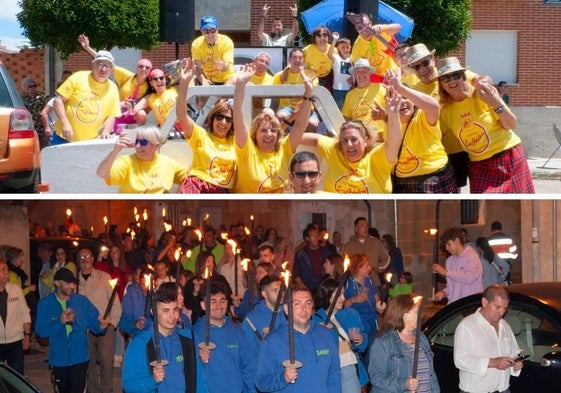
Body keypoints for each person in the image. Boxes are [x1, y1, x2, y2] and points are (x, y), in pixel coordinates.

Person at [437, 57, 535, 193]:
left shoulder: (482, 95)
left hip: (507, 156)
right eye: (446, 78)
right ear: (441, 84)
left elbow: (511, 124)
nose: (452, 80)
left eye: (456, 75)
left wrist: (495, 103)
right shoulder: (444, 111)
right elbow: (437, 136)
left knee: (519, 208)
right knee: (484, 210)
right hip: (478, 165)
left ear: (464, 77)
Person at [300, 85, 403, 193]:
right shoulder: (334, 150)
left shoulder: (378, 157)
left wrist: (393, 114)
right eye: (345, 140)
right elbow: (312, 139)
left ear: (366, 141)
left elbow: (394, 141)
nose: (349, 144)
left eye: (354, 139)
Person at [233, 64, 313, 193]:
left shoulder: (284, 150)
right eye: (263, 130)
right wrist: (240, 85)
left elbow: (300, 126)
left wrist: (308, 93)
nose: (269, 134)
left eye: (273, 130)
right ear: (255, 133)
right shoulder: (247, 150)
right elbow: (238, 121)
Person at [36, 268, 110, 393]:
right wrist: (60, 322)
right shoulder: (45, 304)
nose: (71, 286)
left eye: (73, 283)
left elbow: (95, 326)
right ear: (57, 283)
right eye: (67, 283)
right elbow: (41, 332)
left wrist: (102, 326)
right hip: (59, 361)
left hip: (80, 359)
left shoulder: (81, 301)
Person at [255, 284, 341, 392]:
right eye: (297, 304)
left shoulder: (325, 334)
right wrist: (283, 378)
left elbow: (334, 374)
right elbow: (261, 382)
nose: (304, 309)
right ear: (286, 309)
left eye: (308, 303)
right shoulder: (272, 341)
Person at [122, 285, 207, 393]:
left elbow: (198, 379)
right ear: (153, 312)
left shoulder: (187, 339)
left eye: (175, 310)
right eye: (166, 311)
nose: (172, 316)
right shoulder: (140, 343)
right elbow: (129, 385)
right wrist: (152, 380)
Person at [385, 67, 457, 193]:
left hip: (433, 178)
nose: (401, 102)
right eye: (396, 98)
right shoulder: (390, 124)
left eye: (405, 97)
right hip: (401, 183)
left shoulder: (422, 116)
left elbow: (434, 107)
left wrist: (400, 88)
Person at [176, 58, 237, 193]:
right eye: (219, 117)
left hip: (221, 191)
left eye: (228, 119)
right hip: (197, 185)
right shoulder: (201, 135)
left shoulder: (235, 141)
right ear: (212, 118)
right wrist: (184, 83)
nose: (223, 122)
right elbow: (181, 116)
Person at [454, 285, 524, 393]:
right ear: (485, 302)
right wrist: (493, 362)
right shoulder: (467, 325)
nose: (501, 312)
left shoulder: (504, 325)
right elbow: (460, 359)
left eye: (505, 308)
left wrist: (515, 363)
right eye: (498, 307)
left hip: (503, 390)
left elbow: (513, 352)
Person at [77, 34, 152, 130]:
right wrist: (87, 47)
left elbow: (165, 81)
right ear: (137, 68)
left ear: (150, 70)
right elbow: (107, 62)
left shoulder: (150, 84)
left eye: (147, 67)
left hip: (133, 114)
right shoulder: (127, 76)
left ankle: (140, 135)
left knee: (142, 114)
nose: (144, 69)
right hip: (117, 111)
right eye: (141, 66)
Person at [368, 293, 440, 392]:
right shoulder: (384, 343)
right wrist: (404, 384)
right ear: (404, 315)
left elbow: (431, 374)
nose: (421, 315)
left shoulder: (420, 337)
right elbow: (376, 377)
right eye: (416, 312)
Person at [76, 248, 122, 393]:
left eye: (87, 256)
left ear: (93, 259)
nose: (85, 259)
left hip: (104, 327)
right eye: (81, 257)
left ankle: (107, 389)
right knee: (88, 361)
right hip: (84, 329)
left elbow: (115, 304)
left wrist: (111, 322)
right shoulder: (74, 281)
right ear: (78, 260)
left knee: (106, 361)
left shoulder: (104, 277)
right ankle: (92, 389)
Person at [194, 279, 252, 393]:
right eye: (213, 301)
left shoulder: (237, 331)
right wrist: (198, 359)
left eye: (222, 300)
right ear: (203, 305)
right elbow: (188, 372)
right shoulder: (194, 333)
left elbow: (248, 367)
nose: (219, 306)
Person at [313, 278, 369, 392]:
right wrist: (321, 332)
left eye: (343, 294)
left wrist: (361, 340)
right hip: (327, 373)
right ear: (327, 296)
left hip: (349, 369)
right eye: (338, 295)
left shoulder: (350, 314)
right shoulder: (315, 320)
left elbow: (362, 345)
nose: (343, 298)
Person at [96, 125, 186, 193]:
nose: (138, 146)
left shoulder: (168, 163)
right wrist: (115, 151)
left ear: (156, 145)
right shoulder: (127, 161)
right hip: (131, 211)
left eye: (143, 142)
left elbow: (187, 178)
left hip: (159, 212)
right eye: (136, 141)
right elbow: (101, 174)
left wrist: (178, 197)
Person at [53, 51, 120, 141]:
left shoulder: (113, 88)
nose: (103, 69)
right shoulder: (78, 77)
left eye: (107, 66)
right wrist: (65, 123)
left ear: (112, 69)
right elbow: (58, 101)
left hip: (91, 141)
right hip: (64, 137)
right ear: (93, 65)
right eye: (100, 64)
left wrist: (106, 131)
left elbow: (112, 115)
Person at [343, 254, 386, 357]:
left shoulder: (369, 280)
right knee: (362, 351)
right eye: (366, 266)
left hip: (372, 322)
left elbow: (376, 297)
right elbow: (341, 306)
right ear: (358, 268)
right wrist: (354, 299)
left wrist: (379, 306)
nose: (370, 268)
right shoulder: (347, 283)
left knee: (374, 349)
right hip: (358, 324)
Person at [272, 48, 319, 134]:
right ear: (289, 59)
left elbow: (314, 94)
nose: (297, 60)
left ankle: (306, 145)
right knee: (280, 116)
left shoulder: (311, 74)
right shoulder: (279, 76)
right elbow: (273, 96)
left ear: (303, 60)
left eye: (300, 58)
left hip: (307, 108)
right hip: (287, 108)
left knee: (313, 123)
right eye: (294, 57)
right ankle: (280, 142)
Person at [433, 227, 483, 304]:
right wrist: (444, 293)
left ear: (457, 240)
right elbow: (453, 286)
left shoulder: (471, 256)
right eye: (445, 245)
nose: (446, 248)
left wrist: (446, 272)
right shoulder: (449, 261)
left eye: (448, 244)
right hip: (455, 305)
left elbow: (469, 278)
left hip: (469, 304)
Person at [341, 58, 387, 137]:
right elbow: (346, 118)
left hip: (380, 136)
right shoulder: (350, 94)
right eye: (358, 71)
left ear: (370, 73)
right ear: (354, 74)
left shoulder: (381, 88)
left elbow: (393, 113)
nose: (361, 74)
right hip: (359, 138)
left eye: (364, 71)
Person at [0, 259, 31, 375]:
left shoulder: (15, 290)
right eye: (3, 270)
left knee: (17, 375)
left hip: (15, 341)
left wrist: (27, 336)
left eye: (7, 269)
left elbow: (25, 312)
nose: (7, 273)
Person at [349, 14, 401, 83]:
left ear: (370, 23)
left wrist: (384, 28)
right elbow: (355, 63)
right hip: (375, 76)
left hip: (393, 71)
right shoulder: (357, 44)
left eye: (365, 25)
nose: (363, 30)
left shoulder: (379, 30)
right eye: (359, 28)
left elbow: (398, 27)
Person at [343, 217, 390, 287]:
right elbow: (344, 264)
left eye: (367, 225)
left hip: (374, 282)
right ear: (355, 229)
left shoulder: (376, 242)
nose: (365, 228)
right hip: (355, 284)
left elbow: (387, 259)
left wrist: (377, 269)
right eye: (362, 225)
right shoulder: (348, 246)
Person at [191, 16, 235, 85]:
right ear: (201, 31)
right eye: (206, 31)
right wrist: (203, 80)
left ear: (217, 29)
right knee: (190, 79)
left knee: (232, 80)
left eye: (213, 30)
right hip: (206, 78)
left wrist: (222, 66)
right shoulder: (196, 43)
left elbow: (226, 66)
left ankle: (222, 94)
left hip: (225, 79)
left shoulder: (226, 41)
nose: (210, 34)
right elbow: (197, 67)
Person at [293, 225, 330, 291]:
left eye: (317, 236)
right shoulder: (301, 254)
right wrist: (302, 286)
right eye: (313, 236)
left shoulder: (326, 252)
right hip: (307, 288)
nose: (316, 238)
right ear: (307, 238)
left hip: (324, 289)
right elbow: (296, 272)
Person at [21, 77, 50, 149]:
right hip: (28, 128)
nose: (33, 88)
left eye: (35, 86)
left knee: (42, 147)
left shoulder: (41, 96)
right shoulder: (21, 98)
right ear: (24, 88)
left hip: (41, 127)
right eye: (30, 86)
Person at [303, 25, 334, 91]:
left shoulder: (333, 49)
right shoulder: (308, 49)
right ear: (315, 39)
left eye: (324, 35)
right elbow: (296, 59)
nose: (322, 38)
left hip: (327, 79)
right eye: (319, 36)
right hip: (312, 78)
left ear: (328, 37)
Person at [329, 33, 354, 109]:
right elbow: (329, 55)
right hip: (338, 90)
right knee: (338, 110)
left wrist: (353, 81)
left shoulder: (351, 59)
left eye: (347, 47)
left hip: (349, 89)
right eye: (342, 47)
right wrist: (335, 40)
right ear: (338, 48)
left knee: (348, 109)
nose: (345, 49)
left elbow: (353, 73)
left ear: (350, 48)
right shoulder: (336, 58)